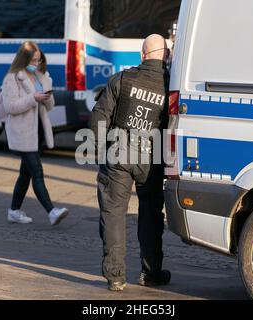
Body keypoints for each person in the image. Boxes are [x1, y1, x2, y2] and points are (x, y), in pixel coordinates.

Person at [91, 34, 171, 291]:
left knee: (113, 214)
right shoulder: (170, 85)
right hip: (152, 157)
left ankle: (115, 276)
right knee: (150, 215)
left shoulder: (122, 79)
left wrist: (98, 150)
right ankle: (151, 273)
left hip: (119, 154)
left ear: (142, 55)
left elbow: (99, 117)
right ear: (166, 56)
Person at [2, 41, 69, 225]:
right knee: (37, 171)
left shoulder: (41, 77)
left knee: (26, 173)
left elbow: (50, 106)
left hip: (38, 131)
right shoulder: (13, 77)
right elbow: (10, 106)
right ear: (24, 60)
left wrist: (46, 97)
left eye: (39, 60)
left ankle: (14, 211)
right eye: (33, 60)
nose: (36, 64)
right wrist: (33, 98)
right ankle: (52, 211)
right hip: (22, 132)